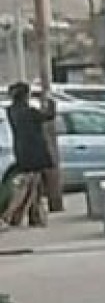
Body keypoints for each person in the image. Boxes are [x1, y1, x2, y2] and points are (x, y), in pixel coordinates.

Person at [2, 83, 54, 227]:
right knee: (29, 187)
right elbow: (49, 115)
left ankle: (35, 216)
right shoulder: (29, 112)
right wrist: (49, 100)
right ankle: (9, 216)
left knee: (32, 186)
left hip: (22, 152)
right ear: (26, 96)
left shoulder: (11, 111)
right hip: (35, 153)